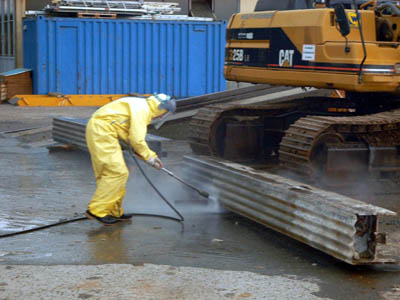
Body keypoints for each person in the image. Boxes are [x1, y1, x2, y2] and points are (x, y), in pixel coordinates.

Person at [85, 93, 176, 226]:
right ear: (161, 108)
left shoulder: (141, 105)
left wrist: (150, 157)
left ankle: (113, 211)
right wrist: (150, 158)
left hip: (103, 130)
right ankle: (97, 210)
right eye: (164, 113)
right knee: (117, 172)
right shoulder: (143, 110)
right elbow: (136, 139)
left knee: (110, 174)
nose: (161, 117)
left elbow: (126, 133)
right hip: (102, 131)